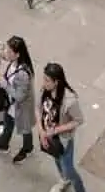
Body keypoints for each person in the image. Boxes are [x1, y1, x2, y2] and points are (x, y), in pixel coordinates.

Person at [38, 63, 87, 192]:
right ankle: (64, 180)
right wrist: (42, 132)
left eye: (47, 80)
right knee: (57, 159)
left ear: (57, 82)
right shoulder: (45, 90)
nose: (44, 83)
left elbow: (78, 120)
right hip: (49, 136)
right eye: (44, 79)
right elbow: (38, 110)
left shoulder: (69, 100)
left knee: (69, 169)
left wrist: (56, 130)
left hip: (63, 139)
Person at [0, 36, 35, 162]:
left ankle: (27, 148)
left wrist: (5, 84)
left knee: (25, 129)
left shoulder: (23, 73)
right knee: (8, 123)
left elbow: (19, 96)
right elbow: (3, 55)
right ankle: (2, 145)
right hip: (10, 103)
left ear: (17, 54)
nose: (6, 53)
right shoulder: (14, 61)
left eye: (9, 51)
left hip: (21, 105)